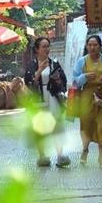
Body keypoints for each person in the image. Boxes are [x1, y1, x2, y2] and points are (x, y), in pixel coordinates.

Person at [24, 37, 70, 168]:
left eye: (48, 46)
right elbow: (29, 84)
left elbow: (63, 80)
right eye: (43, 47)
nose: (46, 49)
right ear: (37, 49)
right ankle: (42, 155)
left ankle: (60, 155)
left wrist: (58, 81)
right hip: (39, 97)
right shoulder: (31, 65)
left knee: (57, 125)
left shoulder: (54, 63)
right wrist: (39, 71)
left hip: (52, 96)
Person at [73, 35, 102, 169]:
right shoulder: (81, 61)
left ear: (100, 46)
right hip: (86, 97)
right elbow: (75, 81)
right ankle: (85, 149)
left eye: (95, 45)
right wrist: (84, 77)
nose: (92, 47)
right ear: (86, 46)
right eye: (90, 45)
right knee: (86, 126)